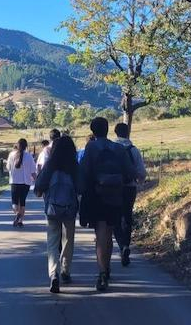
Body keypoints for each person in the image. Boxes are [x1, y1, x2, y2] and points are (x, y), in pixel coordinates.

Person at [77, 117, 134, 291]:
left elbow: (85, 172)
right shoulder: (118, 148)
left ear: (93, 131)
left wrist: (80, 192)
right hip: (116, 196)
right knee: (109, 231)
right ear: (108, 129)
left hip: (97, 195)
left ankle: (102, 272)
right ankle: (107, 267)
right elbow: (129, 172)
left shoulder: (91, 147)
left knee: (101, 233)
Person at [34, 136, 79, 293]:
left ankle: (53, 274)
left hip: (52, 209)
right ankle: (65, 271)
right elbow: (80, 187)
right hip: (69, 208)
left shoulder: (50, 165)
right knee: (68, 240)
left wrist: (40, 192)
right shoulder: (74, 166)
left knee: (52, 243)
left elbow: (39, 186)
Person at [112, 122, 147, 267]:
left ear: (115, 133)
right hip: (130, 188)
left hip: (114, 188)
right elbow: (141, 172)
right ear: (128, 133)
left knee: (115, 218)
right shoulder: (134, 150)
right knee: (127, 217)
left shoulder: (112, 149)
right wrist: (139, 181)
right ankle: (126, 243)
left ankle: (121, 246)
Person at [6, 138, 36, 227]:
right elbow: (33, 171)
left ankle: (17, 214)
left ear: (17, 145)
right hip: (26, 183)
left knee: (15, 202)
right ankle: (20, 221)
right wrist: (36, 181)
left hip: (14, 182)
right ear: (26, 146)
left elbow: (8, 167)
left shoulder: (11, 155)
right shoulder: (29, 156)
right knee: (22, 202)